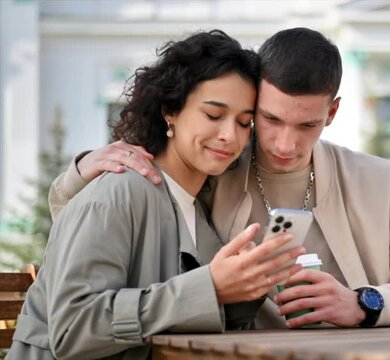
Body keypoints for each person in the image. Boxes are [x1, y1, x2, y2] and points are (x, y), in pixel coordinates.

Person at [48, 27, 390, 329]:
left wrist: (363, 304)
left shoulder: (381, 181)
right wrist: (80, 172)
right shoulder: (213, 170)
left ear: (333, 113)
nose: (285, 143)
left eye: (308, 124)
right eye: (269, 120)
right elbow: (102, 223)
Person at [8, 30, 305, 359]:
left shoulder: (199, 211)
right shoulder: (120, 190)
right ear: (170, 110)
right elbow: (72, 327)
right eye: (213, 115)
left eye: (243, 122)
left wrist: (245, 289)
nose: (229, 136)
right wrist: (210, 288)